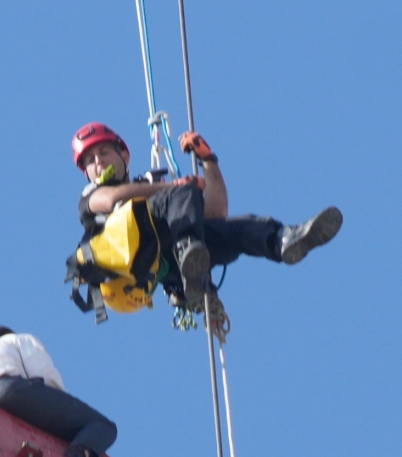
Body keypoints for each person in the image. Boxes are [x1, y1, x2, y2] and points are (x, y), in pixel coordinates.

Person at [68, 122, 344, 315]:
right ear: (86, 173)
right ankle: (189, 251)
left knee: (236, 229)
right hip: (136, 264)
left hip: (169, 259)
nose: (99, 162)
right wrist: (175, 187)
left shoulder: (155, 190)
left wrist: (208, 160)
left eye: (104, 152)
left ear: (124, 155)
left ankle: (282, 241)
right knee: (182, 194)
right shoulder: (90, 197)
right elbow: (111, 200)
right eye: (90, 160)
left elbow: (214, 213)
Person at [0, 325, 117, 457]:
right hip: (4, 390)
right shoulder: (17, 339)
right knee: (102, 426)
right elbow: (46, 376)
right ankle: (78, 455)